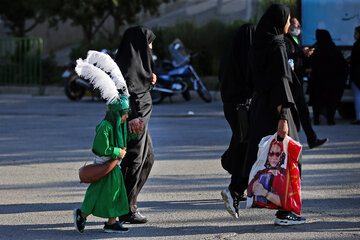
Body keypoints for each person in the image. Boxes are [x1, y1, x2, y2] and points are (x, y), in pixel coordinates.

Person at [244, 3, 305, 225]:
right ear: (280, 21)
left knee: (276, 161)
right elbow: (281, 82)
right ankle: (288, 211)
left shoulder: (258, 44)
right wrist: (283, 118)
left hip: (262, 108)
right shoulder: (278, 45)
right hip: (278, 110)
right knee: (292, 160)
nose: (290, 24)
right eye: (288, 19)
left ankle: (281, 207)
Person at [73, 51, 134, 233]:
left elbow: (123, 139)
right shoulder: (106, 127)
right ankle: (84, 215)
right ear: (115, 113)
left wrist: (132, 133)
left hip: (113, 166)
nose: (126, 117)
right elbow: (100, 147)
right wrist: (117, 153)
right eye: (124, 113)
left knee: (114, 193)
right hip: (105, 165)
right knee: (98, 192)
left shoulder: (118, 125)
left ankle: (110, 221)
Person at [115, 26, 157, 224]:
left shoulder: (135, 63)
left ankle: (127, 203)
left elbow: (138, 83)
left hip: (141, 114)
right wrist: (132, 115)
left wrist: (149, 81)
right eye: (149, 42)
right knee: (135, 159)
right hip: (136, 116)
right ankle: (125, 208)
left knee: (147, 158)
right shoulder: (126, 66)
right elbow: (123, 91)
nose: (150, 47)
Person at [218, 23, 256, 219]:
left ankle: (235, 170)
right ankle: (231, 165)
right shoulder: (246, 56)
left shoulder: (230, 54)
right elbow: (252, 78)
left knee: (240, 138)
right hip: (242, 105)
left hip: (230, 104)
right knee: (243, 141)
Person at [284, 17, 328, 148]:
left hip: (297, 80)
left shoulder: (296, 40)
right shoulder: (286, 40)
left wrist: (305, 55)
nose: (297, 28)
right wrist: (301, 53)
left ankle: (311, 139)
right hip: (291, 81)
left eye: (298, 26)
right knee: (290, 112)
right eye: (294, 25)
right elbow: (287, 58)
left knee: (302, 111)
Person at [308, 29, 348, 125]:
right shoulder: (333, 48)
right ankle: (330, 119)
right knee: (331, 101)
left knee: (317, 101)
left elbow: (310, 61)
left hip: (318, 81)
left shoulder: (316, 48)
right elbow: (342, 65)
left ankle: (317, 119)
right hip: (332, 81)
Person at [247, 140, 286, 209]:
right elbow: (249, 191)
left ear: (281, 156)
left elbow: (285, 201)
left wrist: (265, 193)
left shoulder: (285, 173)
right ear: (267, 155)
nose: (274, 157)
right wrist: (255, 185)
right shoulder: (261, 172)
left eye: (277, 154)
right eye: (271, 153)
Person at [350, 26, 360, 125]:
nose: (354, 35)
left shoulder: (357, 45)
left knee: (357, 97)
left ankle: (358, 117)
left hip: (357, 75)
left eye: (356, 33)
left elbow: (354, 60)